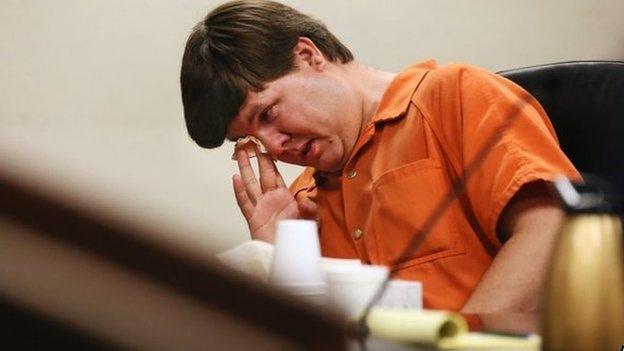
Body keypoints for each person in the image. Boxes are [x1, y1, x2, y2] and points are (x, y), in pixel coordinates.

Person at [180, 0, 580, 312]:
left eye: (267, 114)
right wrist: (281, 259)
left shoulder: (453, 96)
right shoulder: (300, 206)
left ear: (307, 55)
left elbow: (556, 229)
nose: (275, 147)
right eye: (251, 140)